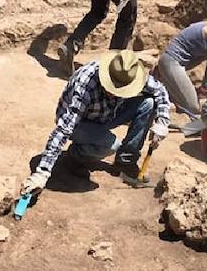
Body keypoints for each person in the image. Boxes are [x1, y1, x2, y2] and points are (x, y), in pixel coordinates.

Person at [21, 50, 170, 195]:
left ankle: (126, 161)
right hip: (81, 124)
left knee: (148, 103)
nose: (117, 93)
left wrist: (162, 122)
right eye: (114, 88)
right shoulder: (86, 83)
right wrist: (42, 173)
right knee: (112, 146)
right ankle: (74, 157)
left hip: (107, 114)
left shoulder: (130, 75)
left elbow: (160, 90)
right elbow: (64, 129)